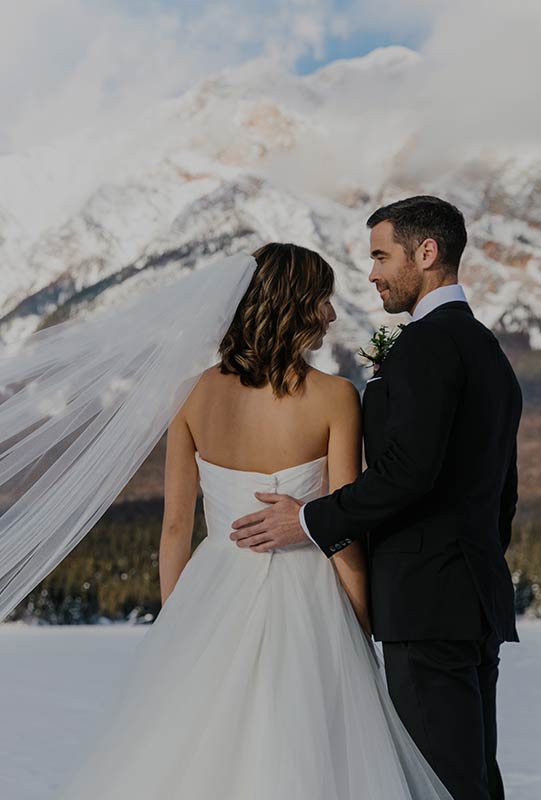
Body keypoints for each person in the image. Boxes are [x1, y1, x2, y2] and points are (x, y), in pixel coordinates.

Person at [49, 242, 453, 799]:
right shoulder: (336, 398)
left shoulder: (189, 394)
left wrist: (179, 624)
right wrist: (362, 621)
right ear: (294, 306)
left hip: (212, 593)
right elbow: (341, 531)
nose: (332, 315)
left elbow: (174, 530)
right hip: (311, 599)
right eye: (323, 300)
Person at [231, 199, 523, 800]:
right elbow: (503, 489)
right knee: (471, 777)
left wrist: (310, 519)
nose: (372, 274)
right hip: (472, 596)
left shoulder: (426, 345)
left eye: (381, 256)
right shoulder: (486, 349)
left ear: (426, 253)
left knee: (441, 783)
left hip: (424, 601)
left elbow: (407, 471)